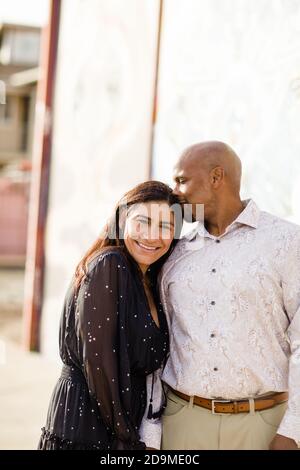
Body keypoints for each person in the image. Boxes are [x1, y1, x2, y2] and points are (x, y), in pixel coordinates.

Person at [158, 141, 300, 450]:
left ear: (216, 177)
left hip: (263, 423)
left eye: (182, 180)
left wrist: (293, 428)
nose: (174, 191)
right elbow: (160, 343)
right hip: (184, 420)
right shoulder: (173, 251)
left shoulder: (287, 242)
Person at [38, 180, 181, 450]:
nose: (152, 235)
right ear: (121, 219)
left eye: (165, 226)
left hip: (119, 425)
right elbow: (100, 367)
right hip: (89, 426)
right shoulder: (110, 265)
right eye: (143, 221)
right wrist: (126, 439)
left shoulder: (147, 279)